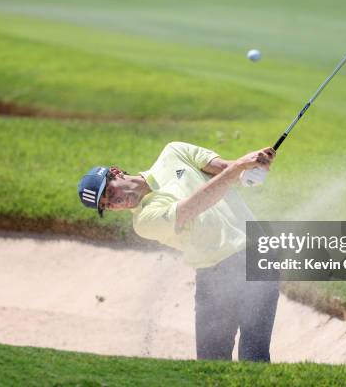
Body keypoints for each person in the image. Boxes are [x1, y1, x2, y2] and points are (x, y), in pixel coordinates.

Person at [78, 142, 279, 362]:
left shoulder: (174, 152)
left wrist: (253, 167)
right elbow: (195, 205)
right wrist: (239, 167)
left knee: (254, 353)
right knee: (211, 362)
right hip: (213, 274)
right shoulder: (144, 221)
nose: (115, 202)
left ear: (116, 173)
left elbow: (225, 168)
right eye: (107, 206)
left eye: (109, 191)